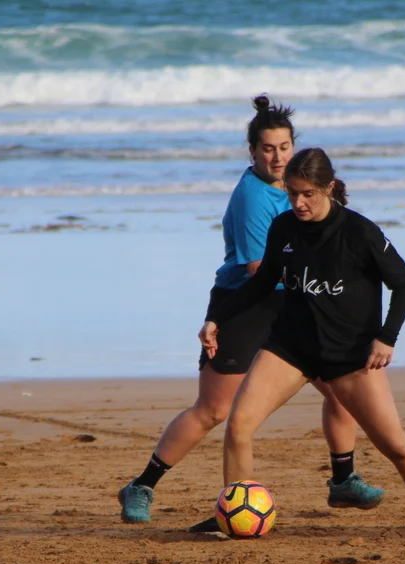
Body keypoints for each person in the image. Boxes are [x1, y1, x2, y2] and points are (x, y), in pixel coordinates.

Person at [118, 97, 385, 527]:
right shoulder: (251, 198)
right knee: (213, 410)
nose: (277, 157)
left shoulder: (299, 188)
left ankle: (343, 480)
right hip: (245, 304)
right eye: (267, 149)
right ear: (253, 151)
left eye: (284, 147)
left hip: (295, 301)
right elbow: (261, 271)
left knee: (340, 390)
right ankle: (142, 485)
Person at [197, 147, 405, 530]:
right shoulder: (283, 228)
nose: (298, 203)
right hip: (291, 347)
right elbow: (263, 282)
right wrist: (217, 318)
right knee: (239, 425)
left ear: (328, 187)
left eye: (308, 194)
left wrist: (386, 338)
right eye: (292, 193)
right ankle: (233, 514)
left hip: (350, 357)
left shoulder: (359, 232)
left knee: (394, 444)